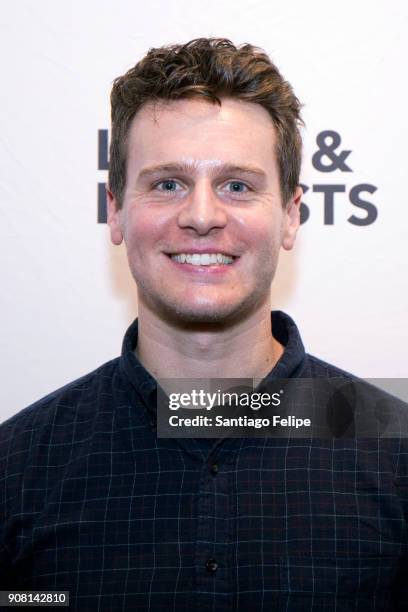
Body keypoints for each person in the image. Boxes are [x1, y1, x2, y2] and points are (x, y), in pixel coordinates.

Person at [0, 38, 406, 611]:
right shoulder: (16, 467)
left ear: (290, 215)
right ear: (115, 209)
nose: (201, 216)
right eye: (167, 183)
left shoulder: (396, 455)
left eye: (237, 185)